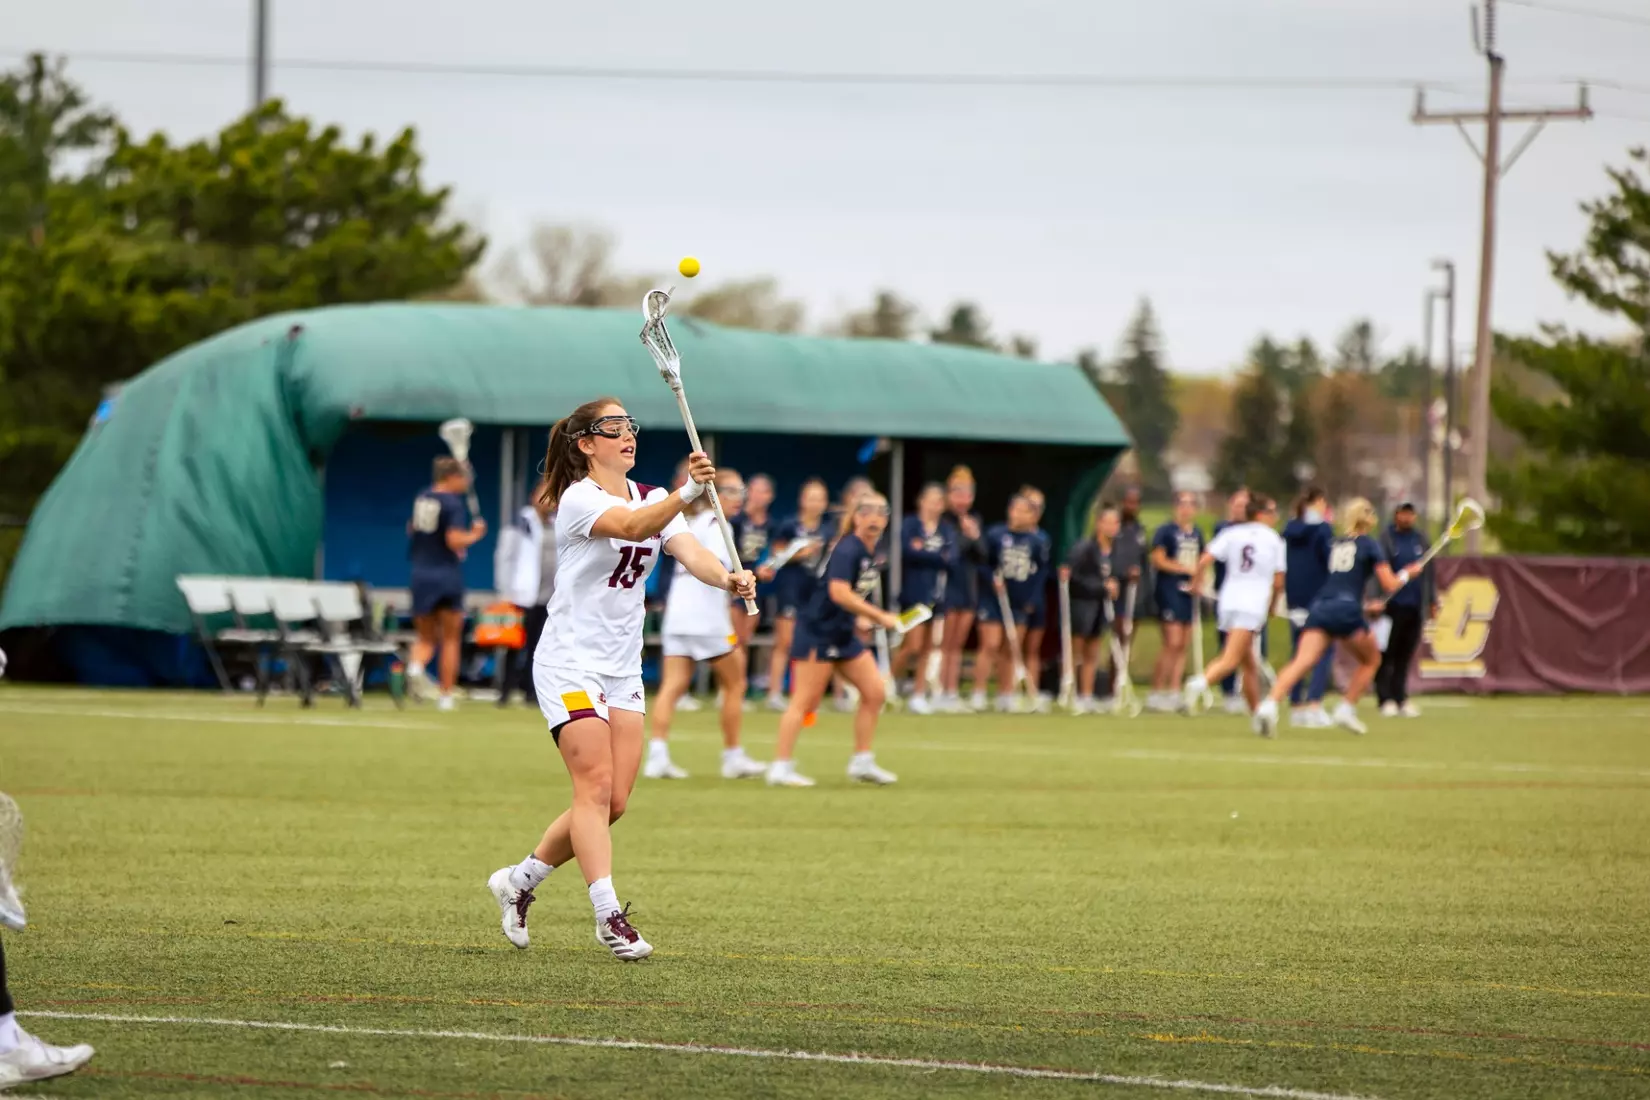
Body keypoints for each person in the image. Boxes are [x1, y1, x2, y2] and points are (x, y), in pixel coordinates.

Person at [486, 397, 755, 960]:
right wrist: (687, 491)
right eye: (613, 427)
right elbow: (632, 527)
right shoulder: (579, 500)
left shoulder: (654, 496)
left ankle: (519, 882)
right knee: (594, 787)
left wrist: (727, 578)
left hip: (621, 666)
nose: (627, 434)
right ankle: (610, 916)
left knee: (614, 803)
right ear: (586, 443)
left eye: (630, 425)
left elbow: (690, 552)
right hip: (568, 661)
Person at [766, 492, 903, 787]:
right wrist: (879, 616)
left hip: (842, 634)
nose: (875, 517)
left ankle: (862, 762)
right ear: (856, 515)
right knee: (805, 701)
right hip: (817, 631)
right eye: (867, 511)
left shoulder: (872, 552)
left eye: (882, 511)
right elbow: (838, 593)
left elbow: (849, 596)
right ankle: (780, 766)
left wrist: (860, 618)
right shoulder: (848, 548)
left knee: (875, 692)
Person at [645, 470, 768, 781]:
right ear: (714, 494)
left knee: (673, 686)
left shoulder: (691, 523)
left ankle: (657, 756)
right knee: (736, 683)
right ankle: (732, 755)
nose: (738, 498)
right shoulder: (717, 526)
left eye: (741, 491)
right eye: (732, 491)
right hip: (707, 618)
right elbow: (724, 573)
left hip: (679, 615)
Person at [1254, 498, 1412, 738]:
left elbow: (1341, 577)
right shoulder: (1369, 545)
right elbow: (1389, 583)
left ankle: (1269, 705)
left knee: (1301, 661)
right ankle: (1346, 708)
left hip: (1322, 605)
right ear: (1370, 519)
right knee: (1371, 660)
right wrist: (1407, 574)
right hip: (1346, 609)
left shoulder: (1334, 543)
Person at [1183, 494, 1287, 716]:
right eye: (1271, 512)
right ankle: (1200, 683)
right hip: (1252, 604)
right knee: (1230, 659)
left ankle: (1256, 714)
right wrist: (1272, 606)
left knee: (1248, 661)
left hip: (1228, 601)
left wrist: (1195, 583)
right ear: (1260, 514)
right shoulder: (1273, 539)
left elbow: (1204, 559)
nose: (1275, 517)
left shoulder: (1231, 533)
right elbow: (1279, 582)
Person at [407, 457, 488, 709]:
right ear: (451, 477)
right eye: (463, 477)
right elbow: (454, 540)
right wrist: (474, 535)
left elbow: (412, 529)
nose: (466, 483)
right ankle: (445, 696)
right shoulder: (452, 503)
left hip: (420, 573)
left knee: (425, 637)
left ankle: (414, 667)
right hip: (445, 575)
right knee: (451, 638)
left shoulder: (423, 497)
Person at [971, 491, 1052, 712]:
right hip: (993, 597)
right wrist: (992, 579)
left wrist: (1031, 598)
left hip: (1019, 599)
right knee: (990, 644)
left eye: (1024, 511)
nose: (1019, 515)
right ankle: (978, 691)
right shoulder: (996, 535)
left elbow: (1041, 571)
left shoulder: (1036, 541)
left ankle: (1005, 693)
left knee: (1011, 646)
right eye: (1016, 510)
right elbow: (983, 563)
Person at [761, 479, 830, 712]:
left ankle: (804, 694)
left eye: (820, 498)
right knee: (785, 642)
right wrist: (801, 553)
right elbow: (776, 555)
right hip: (790, 588)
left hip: (814, 591)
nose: (815, 503)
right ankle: (774, 692)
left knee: (810, 643)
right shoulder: (789, 526)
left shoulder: (827, 529)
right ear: (802, 500)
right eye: (811, 498)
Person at [888, 482, 954, 714]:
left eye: (940, 501)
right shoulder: (910, 524)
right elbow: (908, 552)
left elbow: (950, 559)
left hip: (936, 594)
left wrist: (925, 553)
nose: (936, 505)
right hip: (912, 594)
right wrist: (935, 555)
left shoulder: (945, 529)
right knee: (910, 644)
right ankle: (887, 684)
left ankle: (918, 693)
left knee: (928, 646)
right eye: (932, 500)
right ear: (921, 501)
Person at [1210, 487, 1270, 715]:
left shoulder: (1260, 534)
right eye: (1235, 504)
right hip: (1232, 598)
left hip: (1250, 600)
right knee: (1231, 652)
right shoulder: (1226, 531)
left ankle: (1252, 702)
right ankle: (1209, 687)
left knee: (1251, 656)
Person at [1374, 501, 1437, 718]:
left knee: (1404, 656)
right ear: (1396, 514)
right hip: (1391, 607)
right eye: (1404, 513)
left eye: (1411, 513)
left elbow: (1429, 573)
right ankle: (1385, 698)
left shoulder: (1421, 539)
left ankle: (1400, 697)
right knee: (1386, 654)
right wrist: (1377, 599)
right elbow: (1378, 572)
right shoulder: (1386, 539)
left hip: (1414, 606)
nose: (1407, 517)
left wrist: (1431, 601)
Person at [1281, 487, 1336, 727]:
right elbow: (1330, 562)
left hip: (1295, 598)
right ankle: (1314, 702)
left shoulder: (1288, 530)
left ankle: (1296, 706)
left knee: (1298, 653)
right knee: (1322, 651)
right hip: (1319, 596)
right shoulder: (1323, 530)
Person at [1148, 492, 1205, 712]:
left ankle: (1174, 689)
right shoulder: (1166, 531)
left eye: (1191, 504)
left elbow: (1201, 560)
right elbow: (1158, 559)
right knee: (1171, 642)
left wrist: (1198, 579)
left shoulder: (1196, 533)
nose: (1187, 509)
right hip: (1170, 590)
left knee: (1182, 644)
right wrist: (1183, 569)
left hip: (1188, 593)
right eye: (1183, 504)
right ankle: (1156, 690)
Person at [497, 496, 555, 707]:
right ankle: (505, 691)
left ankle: (532, 692)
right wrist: (505, 591)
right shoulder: (520, 523)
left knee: (539, 647)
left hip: (549, 596)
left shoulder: (558, 523)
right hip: (523, 595)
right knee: (514, 644)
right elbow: (505, 556)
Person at [935, 466, 985, 713]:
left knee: (958, 643)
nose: (962, 499)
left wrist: (975, 535)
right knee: (946, 642)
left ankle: (952, 690)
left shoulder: (973, 520)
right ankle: (939, 689)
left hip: (968, 586)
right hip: (948, 585)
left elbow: (983, 554)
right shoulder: (943, 521)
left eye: (966, 493)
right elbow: (951, 552)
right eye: (957, 493)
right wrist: (967, 537)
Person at [1064, 504, 1122, 713]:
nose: (1113, 527)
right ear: (1099, 524)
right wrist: (1100, 587)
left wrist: (1113, 587)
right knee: (1076, 651)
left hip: (1100, 606)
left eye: (1116, 522)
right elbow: (1074, 578)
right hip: (1082, 604)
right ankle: (1069, 692)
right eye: (1109, 522)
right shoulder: (1085, 548)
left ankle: (1086, 695)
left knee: (1093, 652)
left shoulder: (1114, 551)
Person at [730, 473, 777, 677]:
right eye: (756, 490)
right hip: (733, 581)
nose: (759, 496)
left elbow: (772, 553)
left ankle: (739, 684)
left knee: (745, 638)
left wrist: (769, 567)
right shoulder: (736, 520)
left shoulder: (770, 524)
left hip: (756, 583)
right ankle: (728, 685)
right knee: (732, 637)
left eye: (764, 491)